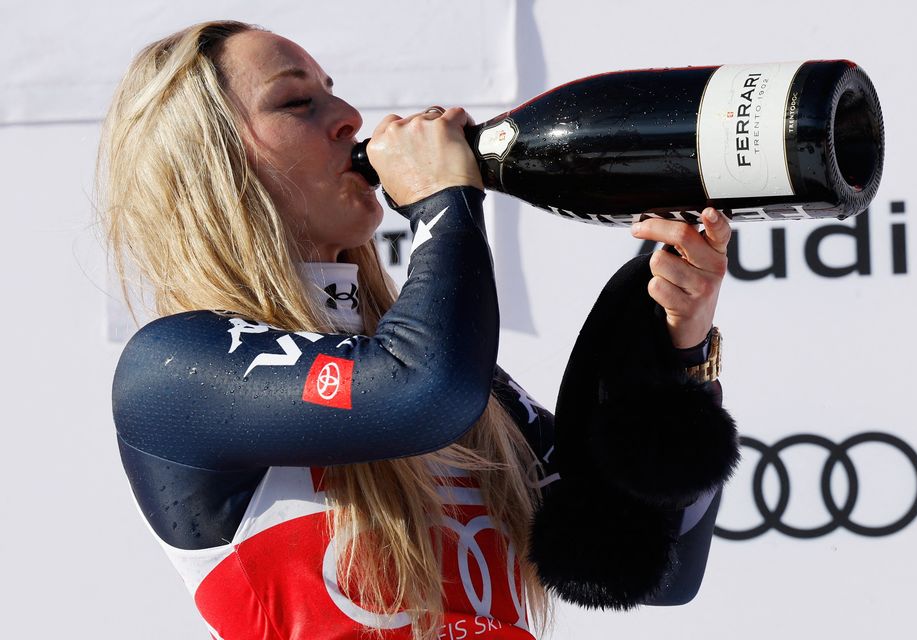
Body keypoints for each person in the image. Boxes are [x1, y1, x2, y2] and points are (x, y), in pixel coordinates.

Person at [100, 20, 738, 640]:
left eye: (333, 88)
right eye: (297, 102)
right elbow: (421, 392)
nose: (350, 115)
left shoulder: (464, 384)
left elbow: (656, 567)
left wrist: (675, 351)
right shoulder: (176, 367)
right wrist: (444, 201)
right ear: (212, 164)